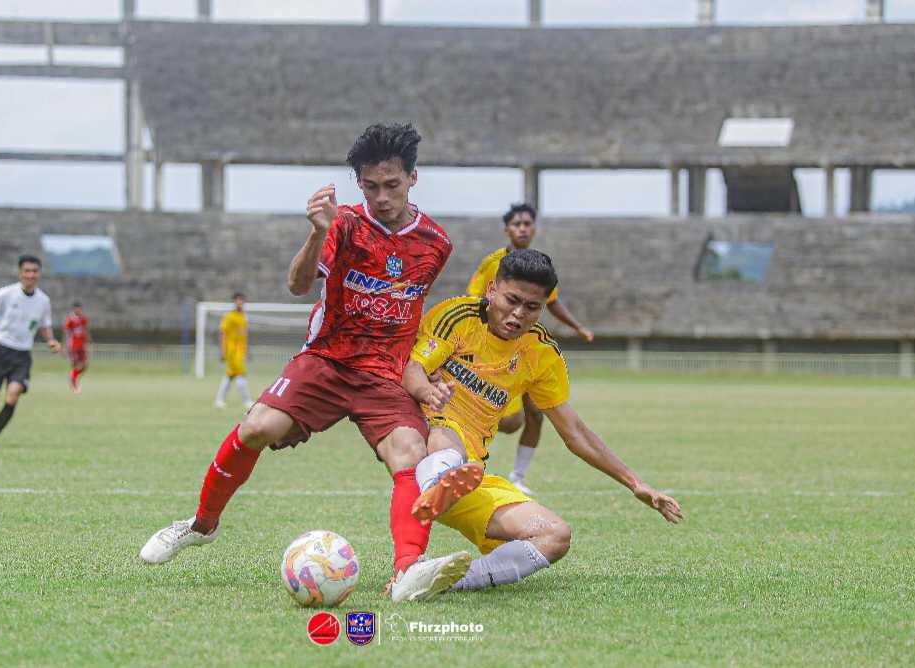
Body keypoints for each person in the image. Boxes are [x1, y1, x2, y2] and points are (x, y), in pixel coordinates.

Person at [139, 123, 476, 602]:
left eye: (393, 185)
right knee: (256, 427)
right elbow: (299, 285)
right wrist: (317, 233)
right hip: (326, 360)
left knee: (409, 456)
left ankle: (407, 571)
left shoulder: (437, 243)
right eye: (371, 186)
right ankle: (200, 524)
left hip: (384, 373)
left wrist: (421, 372)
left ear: (413, 179)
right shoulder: (344, 224)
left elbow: (411, 312)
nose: (382, 197)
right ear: (359, 184)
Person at [403, 249, 683, 593]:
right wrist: (425, 393)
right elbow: (413, 367)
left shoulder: (542, 355)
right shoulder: (457, 315)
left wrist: (635, 483)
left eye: (532, 307)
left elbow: (575, 432)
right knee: (447, 433)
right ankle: (437, 481)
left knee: (555, 536)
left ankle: (446, 581)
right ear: (492, 289)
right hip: (428, 447)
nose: (518, 314)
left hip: (469, 475)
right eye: (512, 300)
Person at [466, 203, 594, 495]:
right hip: (497, 350)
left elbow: (553, 302)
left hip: (527, 349)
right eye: (517, 224)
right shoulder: (493, 263)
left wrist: (578, 327)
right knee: (511, 422)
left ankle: (518, 477)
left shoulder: (540, 267)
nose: (523, 228)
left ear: (534, 229)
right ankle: (465, 452)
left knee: (537, 413)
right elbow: (472, 299)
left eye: (527, 224)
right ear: (507, 230)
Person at [0, 255, 61, 447]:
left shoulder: (43, 301)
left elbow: (44, 325)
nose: (30, 275)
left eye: (34, 271)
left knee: (13, 394)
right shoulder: (6, 293)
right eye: (27, 271)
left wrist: (51, 340)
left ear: (39, 274)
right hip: (0, 349)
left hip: (22, 354)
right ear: (20, 273)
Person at [214, 293, 252, 410]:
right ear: (234, 302)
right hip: (231, 351)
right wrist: (222, 350)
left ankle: (219, 400)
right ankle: (246, 401)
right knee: (240, 373)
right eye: (237, 300)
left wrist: (247, 351)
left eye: (241, 300)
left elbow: (244, 336)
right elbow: (223, 333)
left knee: (230, 375)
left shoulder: (243, 317)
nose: (240, 302)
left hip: (240, 351)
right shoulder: (229, 316)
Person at [63, 301, 91, 394]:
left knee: (85, 364)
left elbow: (86, 331)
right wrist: (65, 347)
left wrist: (89, 343)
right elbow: (66, 333)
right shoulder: (70, 319)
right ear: (74, 309)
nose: (78, 310)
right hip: (73, 345)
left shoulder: (83, 319)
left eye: (79, 308)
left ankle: (73, 378)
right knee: (76, 364)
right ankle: (74, 384)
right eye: (76, 308)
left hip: (82, 345)